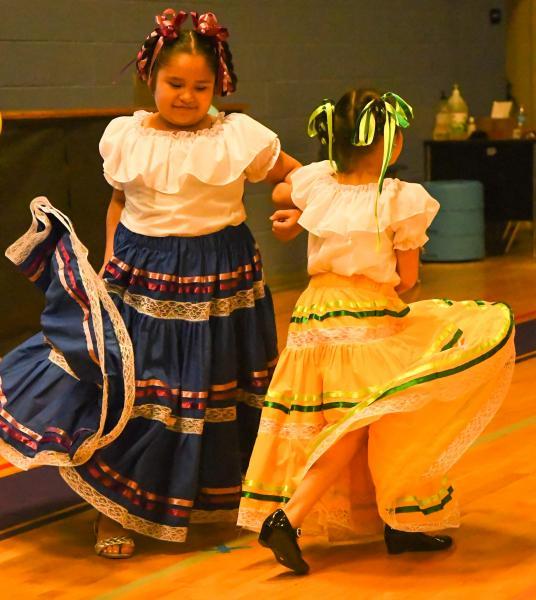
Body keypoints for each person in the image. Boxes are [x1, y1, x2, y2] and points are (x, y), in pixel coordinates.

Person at [0, 9, 300, 558]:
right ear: (151, 78)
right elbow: (120, 202)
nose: (187, 96)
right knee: (134, 395)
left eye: (201, 87)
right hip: (143, 279)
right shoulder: (127, 136)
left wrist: (295, 211)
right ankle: (112, 512)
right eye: (175, 84)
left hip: (222, 281)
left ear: (218, 85)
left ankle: (208, 501)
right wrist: (109, 262)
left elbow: (295, 178)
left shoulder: (240, 135)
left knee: (209, 393)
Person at [238, 89, 515, 575]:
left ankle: (396, 519)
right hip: (366, 318)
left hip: (313, 315)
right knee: (368, 419)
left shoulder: (318, 184)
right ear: (391, 143)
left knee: (347, 418)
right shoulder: (398, 200)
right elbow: (407, 279)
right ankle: (291, 516)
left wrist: (302, 216)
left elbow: (285, 192)